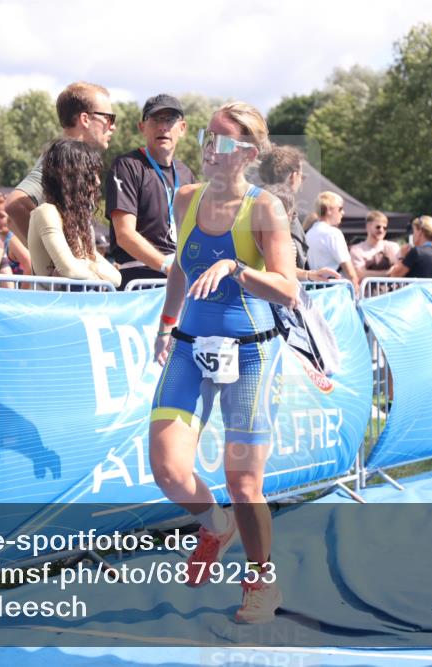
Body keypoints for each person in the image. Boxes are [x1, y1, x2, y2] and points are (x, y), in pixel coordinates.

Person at [150, 102, 297, 624]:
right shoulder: (184, 197)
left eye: (225, 143)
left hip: (250, 350)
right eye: (207, 140)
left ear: (249, 154)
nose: (211, 150)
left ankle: (261, 582)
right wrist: (167, 323)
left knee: (244, 484)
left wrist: (237, 268)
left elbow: (288, 291)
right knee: (167, 469)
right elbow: (178, 269)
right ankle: (216, 524)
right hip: (190, 343)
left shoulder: (265, 210)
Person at [5, 82, 116, 243]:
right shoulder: (60, 160)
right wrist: (56, 258)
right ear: (85, 119)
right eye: (109, 118)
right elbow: (15, 204)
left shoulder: (73, 160)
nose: (113, 127)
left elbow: (11, 222)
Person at [106, 94, 195, 288]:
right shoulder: (127, 166)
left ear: (182, 128)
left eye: (170, 120)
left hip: (180, 279)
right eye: (155, 119)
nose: (163, 126)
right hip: (140, 281)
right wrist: (166, 266)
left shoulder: (186, 173)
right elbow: (124, 235)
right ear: (142, 127)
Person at [26, 139, 121, 288]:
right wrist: (90, 266)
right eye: (90, 175)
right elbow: (71, 271)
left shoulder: (81, 222)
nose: (97, 182)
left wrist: (87, 265)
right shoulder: (46, 212)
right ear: (70, 177)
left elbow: (116, 278)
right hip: (53, 308)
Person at [259, 145, 310, 270]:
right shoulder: (281, 209)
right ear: (293, 176)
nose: (301, 180)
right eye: (302, 176)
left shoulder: (254, 201)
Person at [306, 191, 359, 290]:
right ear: (329, 209)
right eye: (340, 208)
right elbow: (350, 272)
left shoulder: (309, 232)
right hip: (336, 291)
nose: (343, 212)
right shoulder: (333, 233)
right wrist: (356, 289)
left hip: (316, 290)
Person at [0, 192, 32, 288]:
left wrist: (20, 295)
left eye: (1, 216)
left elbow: (29, 265)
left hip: (15, 299)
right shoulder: (0, 238)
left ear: (10, 218)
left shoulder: (12, 240)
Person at [350, 210, 399, 278]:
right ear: (368, 227)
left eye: (384, 228)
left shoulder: (393, 246)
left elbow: (398, 268)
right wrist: (387, 273)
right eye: (378, 227)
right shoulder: (357, 249)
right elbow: (360, 274)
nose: (381, 230)